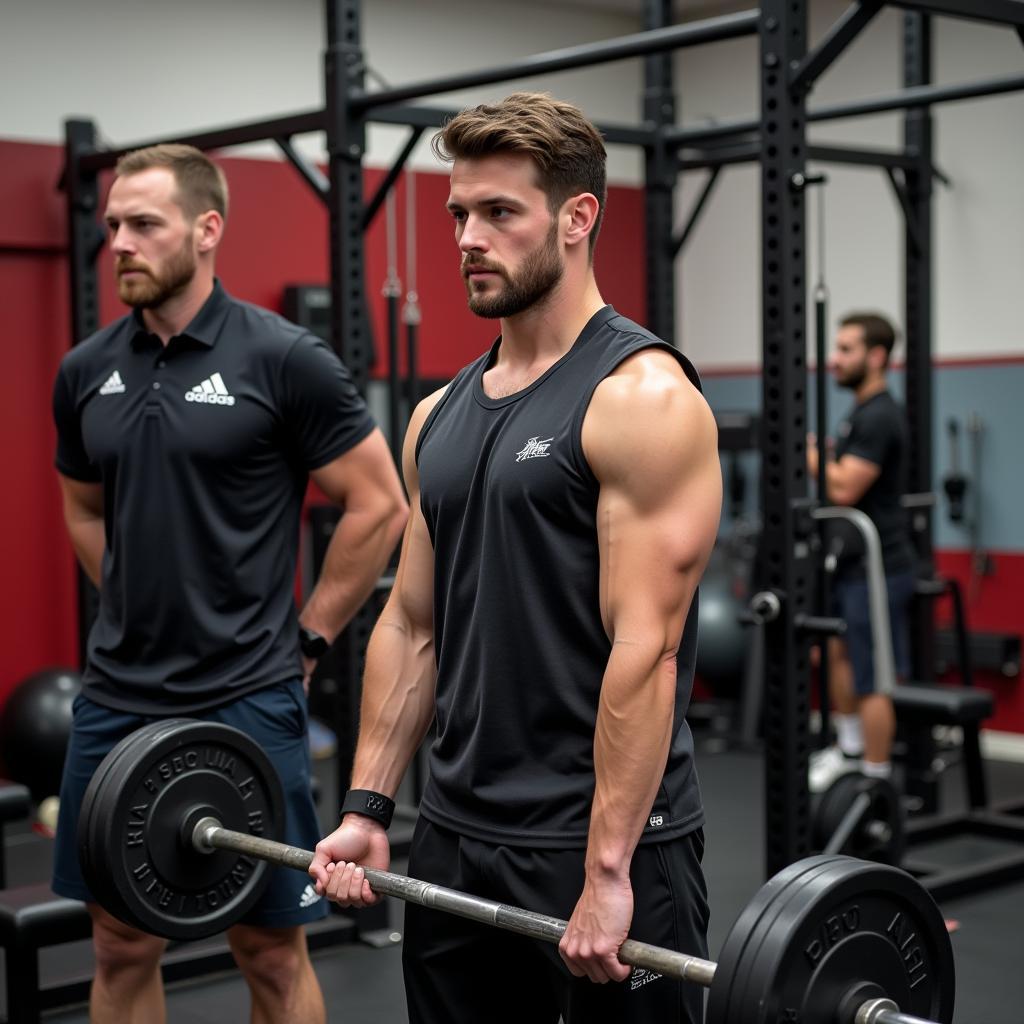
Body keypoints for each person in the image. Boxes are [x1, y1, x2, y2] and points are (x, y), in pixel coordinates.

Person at [309, 93, 722, 1024]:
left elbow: (645, 648)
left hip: (595, 841)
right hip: (456, 833)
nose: (467, 237)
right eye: (459, 212)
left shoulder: (642, 399)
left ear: (578, 219)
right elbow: (413, 624)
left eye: (500, 213)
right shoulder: (436, 417)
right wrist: (371, 806)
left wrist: (609, 869)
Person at [51, 144, 408, 1024]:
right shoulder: (83, 370)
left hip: (247, 697)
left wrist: (311, 639)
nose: (120, 245)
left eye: (144, 225)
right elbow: (83, 510)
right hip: (115, 700)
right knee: (118, 940)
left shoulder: (283, 359)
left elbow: (378, 503)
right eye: (112, 228)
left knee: (271, 951)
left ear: (208, 230)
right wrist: (136, 597)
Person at [807, 313, 917, 792]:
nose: (836, 359)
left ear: (876, 357)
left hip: (880, 568)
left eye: (847, 349)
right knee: (838, 656)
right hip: (850, 563)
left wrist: (807, 453)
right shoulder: (858, 412)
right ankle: (850, 750)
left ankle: (877, 781)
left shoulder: (878, 416)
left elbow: (846, 486)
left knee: (872, 675)